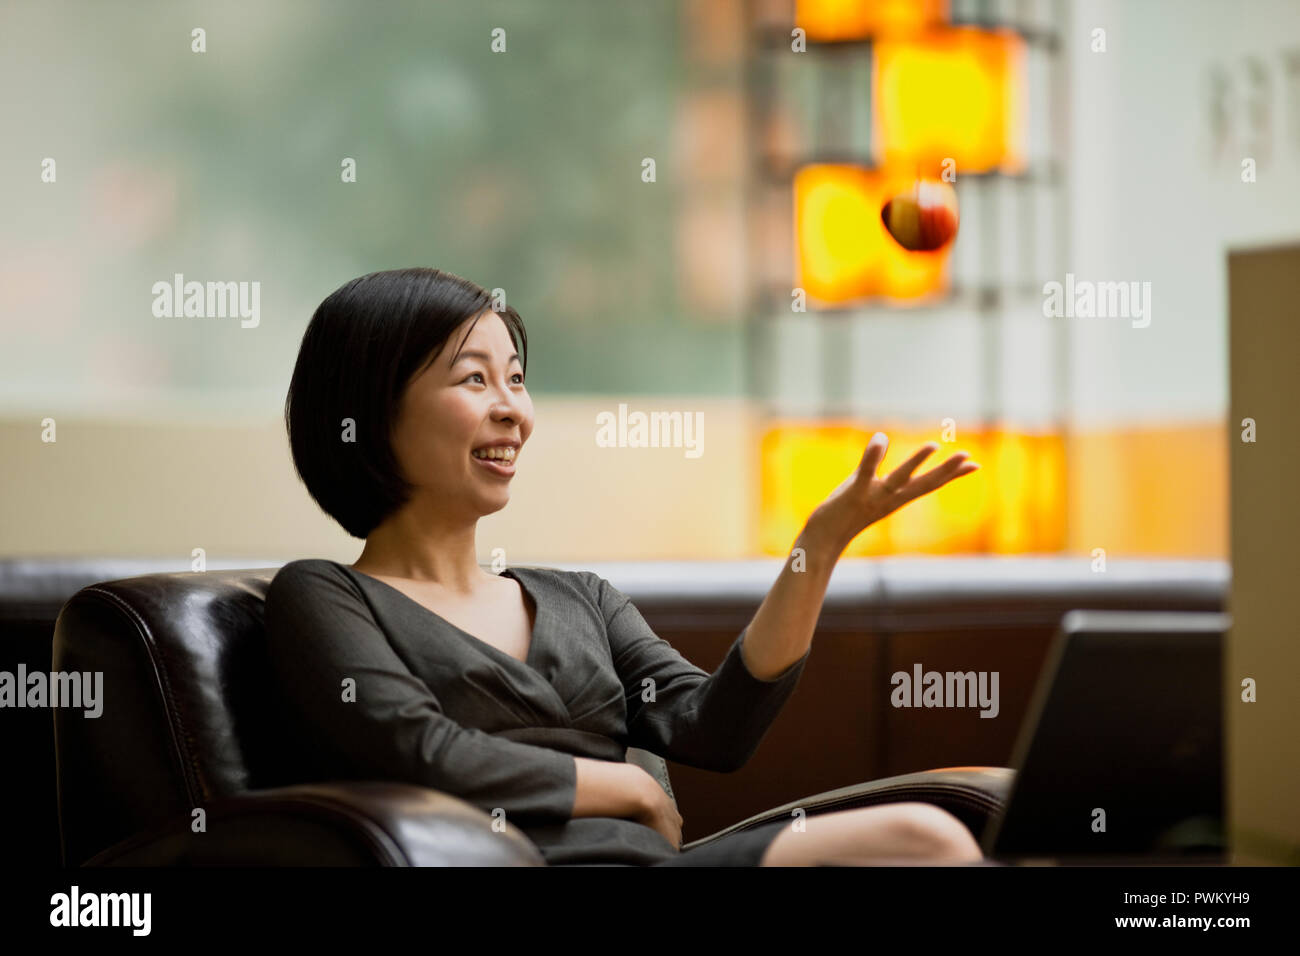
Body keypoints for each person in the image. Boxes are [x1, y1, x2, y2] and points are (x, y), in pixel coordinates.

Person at [265, 267, 984, 866]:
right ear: (369, 409)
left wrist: (817, 548)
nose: (513, 410)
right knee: (924, 841)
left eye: (516, 379)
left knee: (935, 837)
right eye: (474, 381)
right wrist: (629, 790)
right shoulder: (324, 595)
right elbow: (418, 751)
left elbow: (717, 728)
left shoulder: (582, 599)